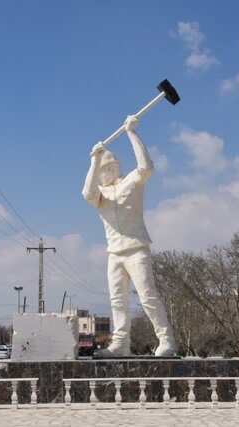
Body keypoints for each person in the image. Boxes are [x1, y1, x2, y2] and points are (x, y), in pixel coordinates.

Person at [82, 115, 176, 357]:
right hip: (114, 254)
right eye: (100, 172)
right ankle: (121, 344)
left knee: (148, 297)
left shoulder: (131, 183)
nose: (102, 175)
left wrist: (132, 133)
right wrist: (94, 160)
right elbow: (87, 193)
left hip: (136, 248)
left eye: (105, 170)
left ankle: (167, 341)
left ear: (114, 168)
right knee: (117, 301)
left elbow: (146, 167)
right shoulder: (99, 195)